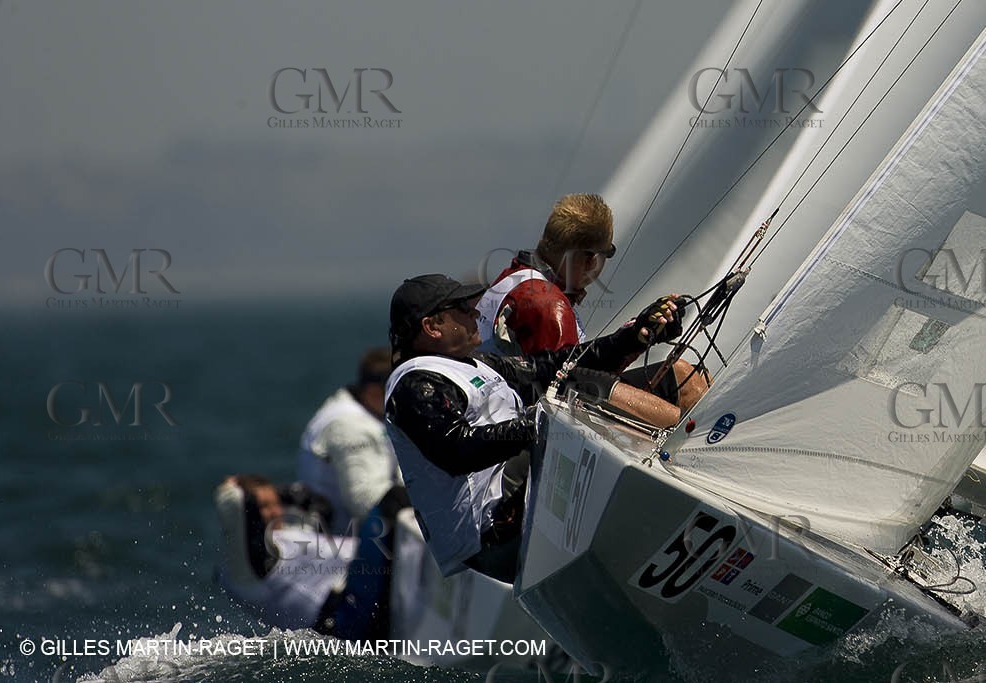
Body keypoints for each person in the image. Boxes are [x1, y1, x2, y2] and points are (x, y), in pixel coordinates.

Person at [383, 273, 684, 581]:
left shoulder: (477, 364)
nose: (475, 313)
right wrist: (540, 422)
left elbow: (556, 367)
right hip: (493, 531)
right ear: (432, 327)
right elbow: (458, 450)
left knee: (678, 377)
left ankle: (704, 452)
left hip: (521, 492)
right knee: (581, 391)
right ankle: (687, 456)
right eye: (462, 308)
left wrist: (634, 337)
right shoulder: (415, 382)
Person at [475, 192, 710, 409]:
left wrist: (637, 336)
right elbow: (570, 386)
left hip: (503, 404)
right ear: (590, 261)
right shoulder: (549, 305)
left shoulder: (514, 276)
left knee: (688, 374)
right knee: (685, 381)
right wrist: (632, 340)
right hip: (530, 428)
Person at [214, 473, 404, 639]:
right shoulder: (248, 571)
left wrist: (279, 493)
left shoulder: (284, 537)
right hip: (346, 619)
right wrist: (231, 487)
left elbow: (321, 507)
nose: (275, 513)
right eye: (263, 506)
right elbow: (234, 505)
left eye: (276, 504)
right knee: (394, 501)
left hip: (361, 596)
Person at [298, 347, 401, 530]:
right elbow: (364, 501)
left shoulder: (368, 412)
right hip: (342, 540)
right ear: (374, 391)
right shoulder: (349, 426)